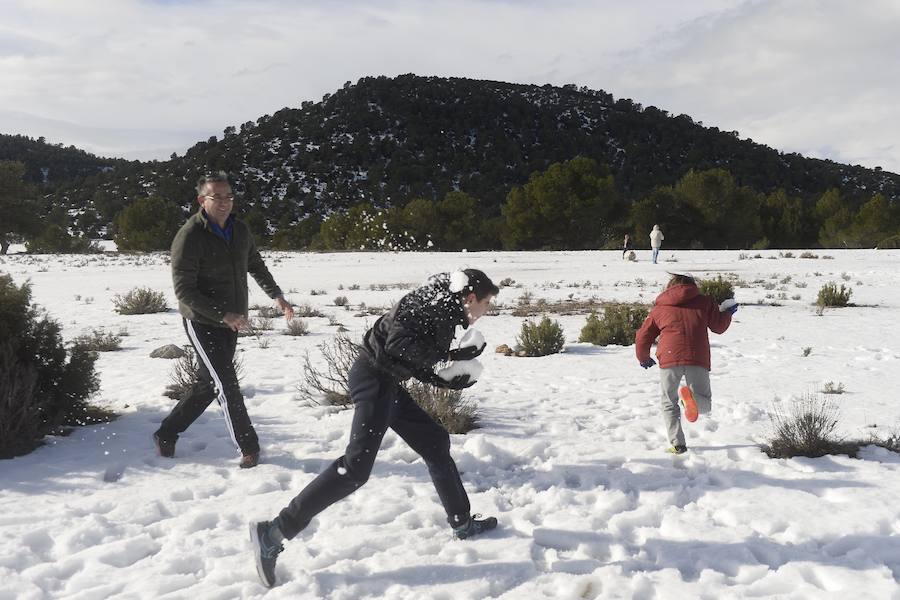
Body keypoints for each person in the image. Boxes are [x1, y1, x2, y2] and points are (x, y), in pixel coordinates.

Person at [249, 269, 500, 588]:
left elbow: (412, 358)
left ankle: (462, 523)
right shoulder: (434, 305)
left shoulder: (443, 307)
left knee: (435, 442)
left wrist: (448, 378)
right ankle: (272, 534)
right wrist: (449, 355)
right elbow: (398, 345)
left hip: (387, 381)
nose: (485, 312)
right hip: (373, 378)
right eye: (486, 304)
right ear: (471, 297)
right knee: (355, 469)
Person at [153, 171, 294, 469]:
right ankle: (249, 447)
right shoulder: (189, 236)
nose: (225, 202)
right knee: (227, 384)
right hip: (202, 321)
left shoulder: (239, 230)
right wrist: (222, 314)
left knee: (208, 385)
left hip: (232, 322)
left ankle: (166, 433)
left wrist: (276, 295)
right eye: (217, 196)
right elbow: (183, 290)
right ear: (202, 200)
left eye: (229, 196)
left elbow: (255, 264)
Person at [634, 273, 737, 454]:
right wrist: (727, 313)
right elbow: (718, 327)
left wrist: (643, 357)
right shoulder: (704, 302)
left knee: (668, 402)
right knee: (704, 403)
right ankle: (692, 400)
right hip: (697, 357)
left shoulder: (660, 308)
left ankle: (677, 444)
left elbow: (643, 335)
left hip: (669, 357)